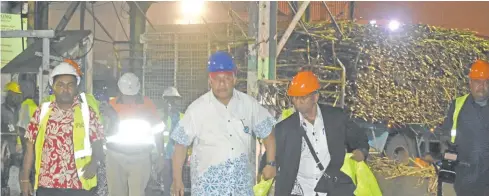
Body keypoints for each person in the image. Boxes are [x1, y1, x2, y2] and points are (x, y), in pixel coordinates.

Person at [170, 51, 277, 196]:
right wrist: (177, 179)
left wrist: (270, 163)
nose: (222, 83)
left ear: (234, 79)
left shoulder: (249, 105)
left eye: (227, 78)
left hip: (241, 188)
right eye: (217, 78)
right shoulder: (197, 109)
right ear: (210, 80)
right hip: (208, 190)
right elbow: (180, 145)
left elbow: (268, 133)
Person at [263, 71, 369, 196]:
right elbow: (269, 157)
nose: (297, 102)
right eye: (294, 97)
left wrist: (361, 151)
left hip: (331, 189)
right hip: (298, 191)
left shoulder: (336, 118)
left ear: (315, 97)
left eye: (302, 97)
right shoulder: (284, 128)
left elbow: (359, 138)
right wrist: (268, 166)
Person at [20, 62, 104, 196]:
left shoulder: (87, 113)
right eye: (60, 85)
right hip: (48, 184)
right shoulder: (41, 112)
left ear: (76, 87)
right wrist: (24, 179)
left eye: (70, 84)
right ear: (53, 87)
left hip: (80, 184)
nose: (65, 89)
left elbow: (98, 142)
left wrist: (94, 162)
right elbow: (29, 147)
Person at [105, 72, 165, 196]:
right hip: (115, 156)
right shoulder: (111, 105)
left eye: (132, 95)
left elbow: (158, 130)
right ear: (120, 91)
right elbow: (104, 131)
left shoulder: (147, 105)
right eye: (127, 95)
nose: (129, 98)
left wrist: (160, 155)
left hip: (140, 157)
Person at [438, 59, 489, 196]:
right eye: (478, 82)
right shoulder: (458, 105)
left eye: (486, 82)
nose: (482, 87)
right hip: (464, 178)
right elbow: (446, 134)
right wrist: (446, 152)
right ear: (470, 83)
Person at [1, 81, 24, 196]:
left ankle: (23, 190)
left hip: (20, 145)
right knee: (5, 170)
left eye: (17, 95)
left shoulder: (21, 109)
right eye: (15, 94)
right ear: (9, 94)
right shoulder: (2, 110)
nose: (16, 97)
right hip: (7, 146)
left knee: (24, 168)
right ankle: (4, 189)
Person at [161, 87, 184, 196]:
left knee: (177, 181)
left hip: (178, 154)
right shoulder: (160, 116)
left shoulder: (182, 117)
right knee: (166, 182)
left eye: (173, 99)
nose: (171, 102)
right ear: (164, 101)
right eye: (168, 99)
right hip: (164, 154)